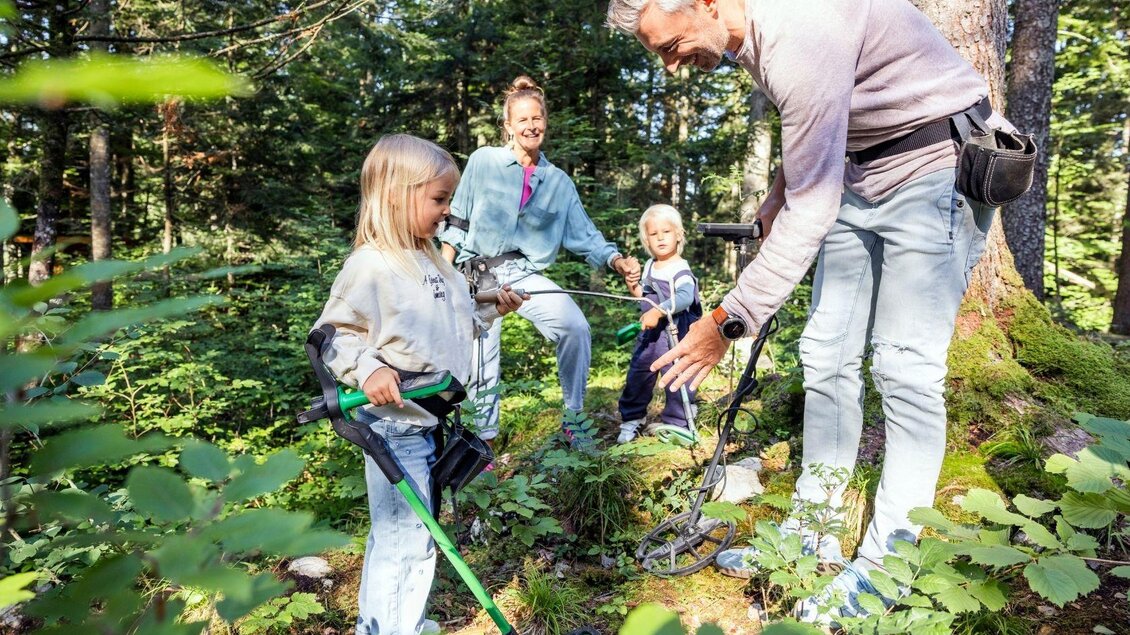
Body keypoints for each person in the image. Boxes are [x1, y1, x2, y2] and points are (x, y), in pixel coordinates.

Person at [606, 0, 1012, 624]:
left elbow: (812, 209)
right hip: (860, 175)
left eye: (670, 45)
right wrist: (776, 193)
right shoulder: (751, 39)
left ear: (707, 3)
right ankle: (811, 530)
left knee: (904, 368)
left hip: (935, 166)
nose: (669, 66)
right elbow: (817, 123)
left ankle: (885, 570)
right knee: (825, 354)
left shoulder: (801, 26)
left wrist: (726, 321)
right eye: (658, 52)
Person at [312, 134, 525, 635]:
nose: (447, 211)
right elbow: (332, 337)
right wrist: (370, 370)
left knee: (413, 537)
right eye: (439, 199)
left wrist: (492, 306)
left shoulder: (435, 263)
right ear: (396, 195)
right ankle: (387, 628)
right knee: (405, 538)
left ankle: (396, 621)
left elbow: (455, 321)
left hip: (431, 422)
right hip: (393, 429)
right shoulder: (373, 265)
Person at [438, 75, 642, 447]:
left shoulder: (559, 182)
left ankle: (574, 417)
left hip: (524, 273)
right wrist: (440, 273)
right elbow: (457, 220)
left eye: (537, 118)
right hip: (476, 272)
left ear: (545, 121)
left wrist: (616, 261)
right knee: (482, 358)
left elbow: (586, 236)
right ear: (508, 126)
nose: (531, 126)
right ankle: (483, 444)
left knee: (575, 327)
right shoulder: (484, 161)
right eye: (523, 120)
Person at [617, 204, 702, 444]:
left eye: (666, 231)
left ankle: (678, 422)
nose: (661, 238)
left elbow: (685, 297)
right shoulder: (650, 265)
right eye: (654, 234)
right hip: (650, 334)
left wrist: (660, 311)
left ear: (678, 234)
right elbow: (642, 296)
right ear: (646, 240)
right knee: (638, 374)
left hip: (675, 333)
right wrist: (631, 283)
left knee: (676, 376)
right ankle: (632, 419)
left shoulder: (680, 268)